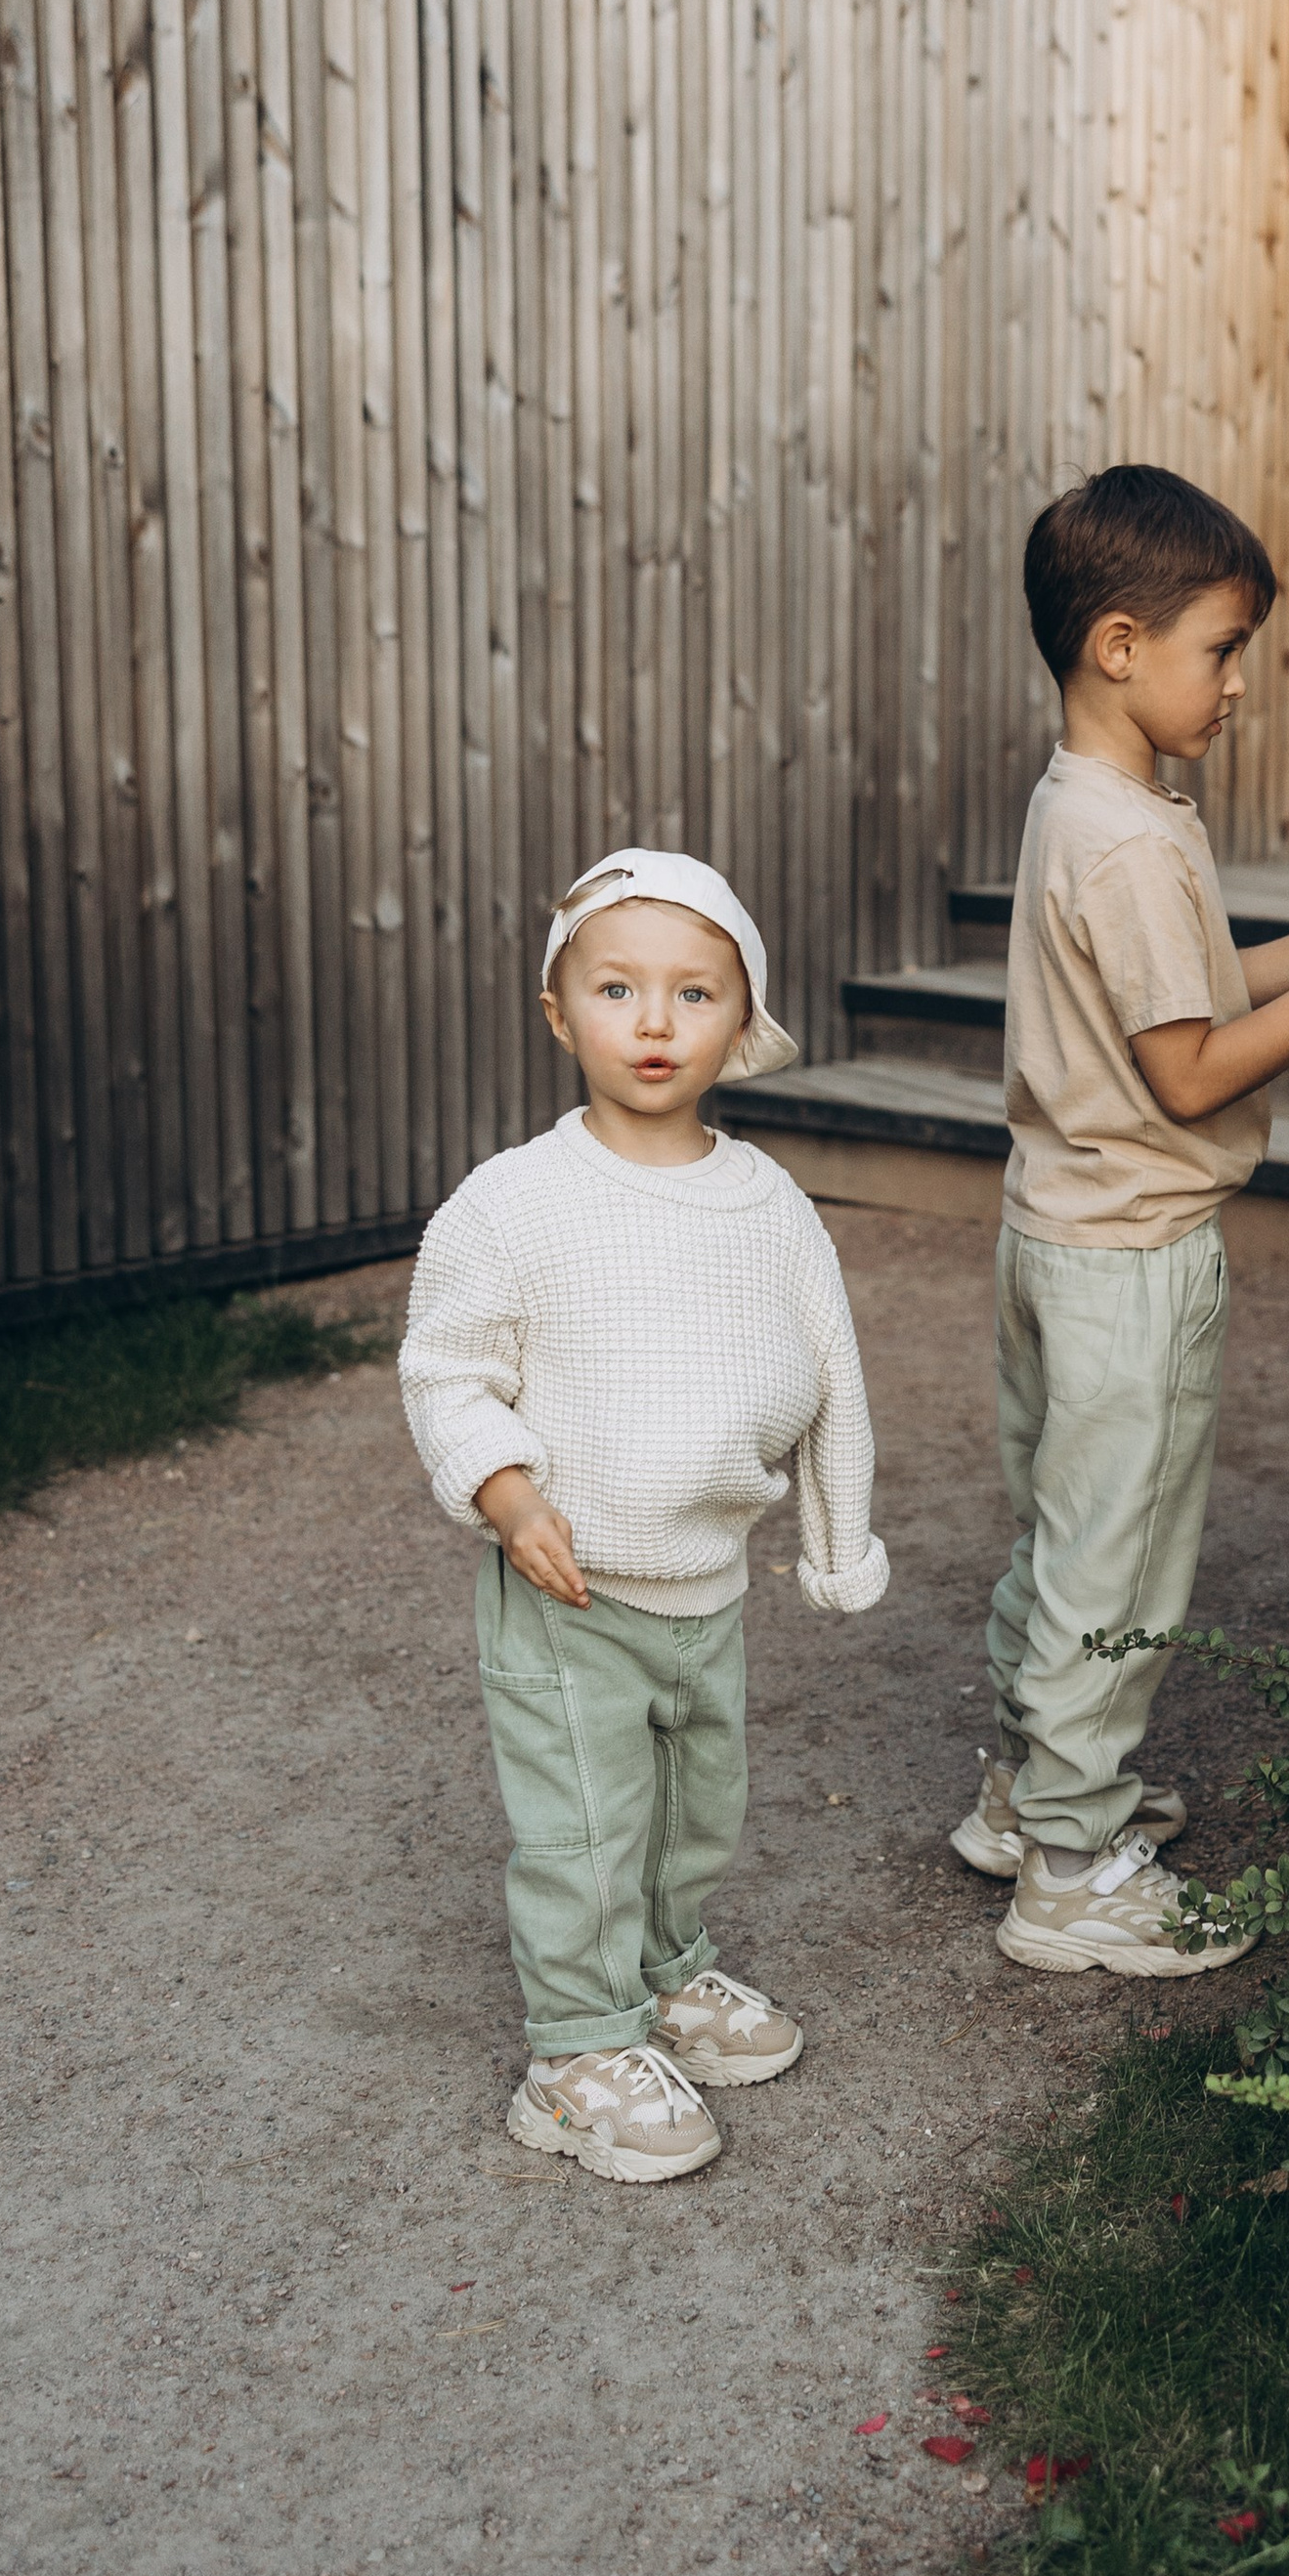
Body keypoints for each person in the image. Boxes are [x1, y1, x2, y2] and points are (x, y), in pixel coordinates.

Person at [954, 465, 1289, 1976]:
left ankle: (1023, 1790)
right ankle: (1070, 1870)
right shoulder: (1128, 837)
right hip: (1130, 1265)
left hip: (1054, 1228)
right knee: (1121, 1562)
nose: (1238, 682)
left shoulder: (1096, 805)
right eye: (1221, 650)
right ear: (1120, 646)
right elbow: (1189, 1069)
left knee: (1061, 1536)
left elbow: (1193, 980)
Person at [400, 849, 889, 2182]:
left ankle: (667, 1975)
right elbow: (449, 1367)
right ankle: (573, 2048)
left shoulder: (771, 1206)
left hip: (707, 1584)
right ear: (561, 1013)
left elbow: (833, 1375)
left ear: (744, 1019)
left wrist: (835, 1547)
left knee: (694, 1807)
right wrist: (505, 1490)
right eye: (618, 989)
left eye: (695, 992)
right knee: (589, 1824)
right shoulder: (515, 1204)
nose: (656, 1021)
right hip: (569, 1590)